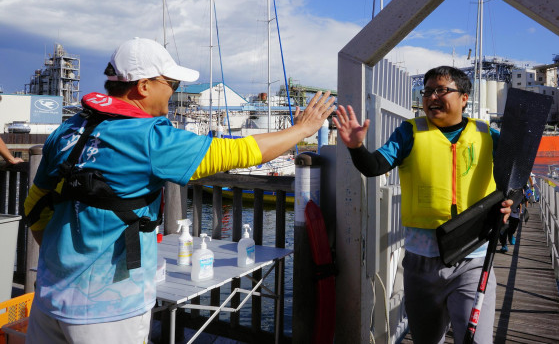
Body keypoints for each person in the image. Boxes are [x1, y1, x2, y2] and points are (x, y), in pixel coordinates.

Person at [23, 37, 335, 344]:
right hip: (109, 310)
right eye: (172, 84)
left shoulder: (69, 129)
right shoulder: (151, 139)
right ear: (143, 86)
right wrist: (302, 130)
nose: (174, 91)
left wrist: (67, 259)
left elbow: (34, 206)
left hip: (50, 296)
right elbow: (242, 152)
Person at [333, 65, 512, 344]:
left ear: (464, 98)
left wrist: (510, 204)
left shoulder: (489, 135)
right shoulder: (409, 132)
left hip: (473, 259)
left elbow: (514, 181)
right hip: (420, 262)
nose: (431, 97)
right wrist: (357, 148)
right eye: (427, 92)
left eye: (441, 90)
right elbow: (374, 166)